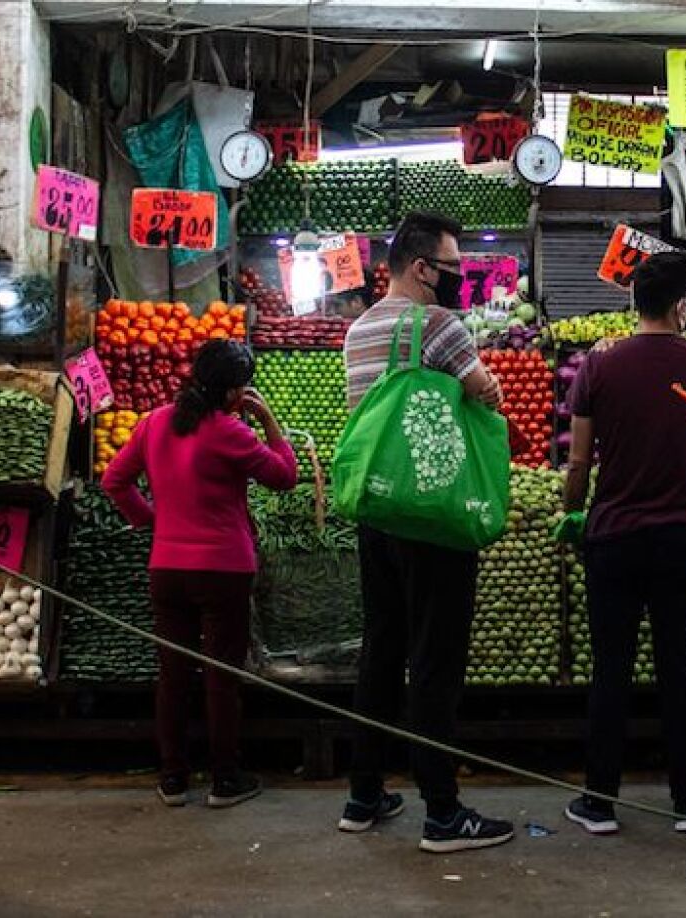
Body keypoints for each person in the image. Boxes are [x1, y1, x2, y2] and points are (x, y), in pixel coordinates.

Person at [340, 211, 511, 853]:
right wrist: (477, 384)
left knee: (381, 648)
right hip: (432, 510)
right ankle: (442, 811)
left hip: (377, 508)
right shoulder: (439, 326)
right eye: (452, 267)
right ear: (421, 268)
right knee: (434, 657)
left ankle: (363, 795)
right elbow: (485, 395)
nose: (457, 277)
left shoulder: (358, 328)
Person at [559, 250, 686, 837]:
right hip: (680, 537)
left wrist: (570, 515)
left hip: (614, 539)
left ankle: (599, 802)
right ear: (683, 303)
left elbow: (578, 462)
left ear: (632, 300)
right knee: (677, 671)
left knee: (612, 671)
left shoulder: (597, 366)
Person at [102, 338, 298, 809]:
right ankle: (225, 779)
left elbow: (115, 481)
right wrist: (270, 422)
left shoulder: (153, 423)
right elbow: (285, 476)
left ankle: (172, 778)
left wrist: (154, 522)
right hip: (223, 569)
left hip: (167, 568)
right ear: (235, 392)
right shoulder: (231, 432)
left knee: (172, 674)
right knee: (221, 676)